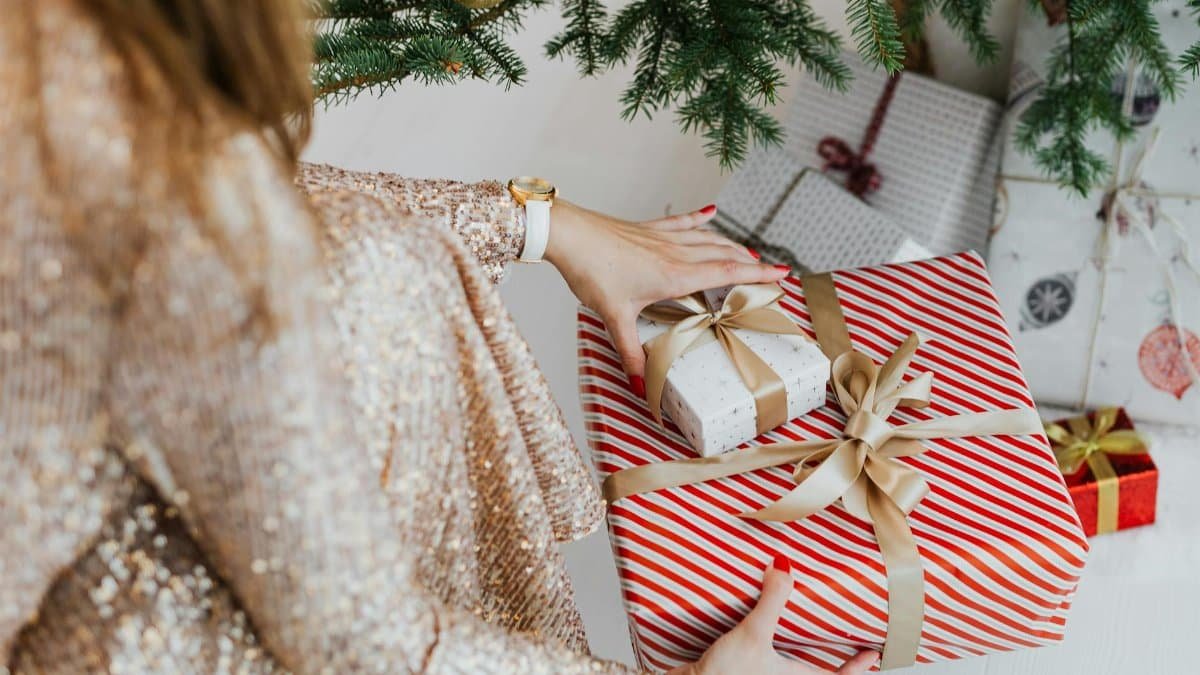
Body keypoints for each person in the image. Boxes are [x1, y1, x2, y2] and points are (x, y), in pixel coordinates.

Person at [0, 1, 879, 673]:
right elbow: (366, 638)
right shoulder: (164, 227)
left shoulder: (72, 89)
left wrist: (538, 223)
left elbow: (263, 187)